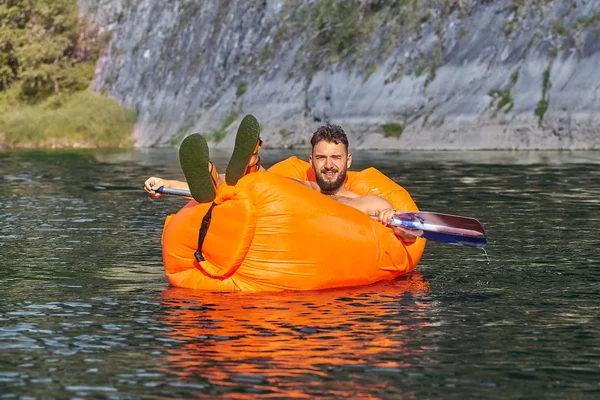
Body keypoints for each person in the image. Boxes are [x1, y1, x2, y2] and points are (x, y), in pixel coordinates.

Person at [144, 119, 417, 243]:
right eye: (321, 158)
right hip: (294, 208)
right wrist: (165, 185)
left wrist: (392, 219)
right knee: (254, 185)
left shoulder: (368, 201)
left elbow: (409, 235)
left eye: (335, 157)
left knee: (269, 186)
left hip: (325, 227)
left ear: (348, 161)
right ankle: (236, 168)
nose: (329, 165)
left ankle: (248, 165)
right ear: (311, 161)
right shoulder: (301, 184)